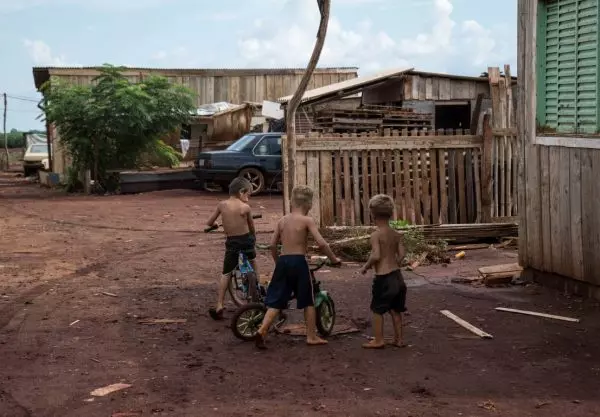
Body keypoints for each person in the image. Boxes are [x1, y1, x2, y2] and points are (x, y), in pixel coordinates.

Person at [255, 186, 341, 349]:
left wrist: (277, 262)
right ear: (309, 204)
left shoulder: (282, 221)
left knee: (277, 300)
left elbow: (272, 245)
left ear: (291, 202)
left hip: (283, 261)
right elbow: (322, 243)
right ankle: (311, 336)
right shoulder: (307, 220)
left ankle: (262, 329)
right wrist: (334, 259)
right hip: (299, 262)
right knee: (308, 299)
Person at [206, 177, 258, 320]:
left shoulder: (222, 205)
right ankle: (257, 289)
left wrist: (215, 225)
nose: (248, 198)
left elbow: (209, 222)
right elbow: (252, 227)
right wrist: (254, 238)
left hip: (232, 243)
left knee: (226, 273)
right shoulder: (245, 207)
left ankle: (219, 304)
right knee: (253, 261)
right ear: (241, 192)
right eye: (248, 194)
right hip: (246, 241)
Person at [360, 194, 407, 349]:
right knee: (395, 309)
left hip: (384, 278)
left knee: (377, 310)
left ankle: (378, 340)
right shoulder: (396, 234)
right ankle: (399, 340)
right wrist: (396, 263)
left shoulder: (376, 235)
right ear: (391, 213)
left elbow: (376, 255)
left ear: (372, 215)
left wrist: (366, 267)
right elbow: (402, 254)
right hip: (398, 277)